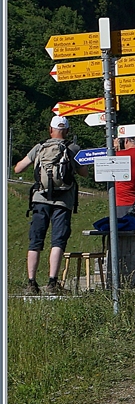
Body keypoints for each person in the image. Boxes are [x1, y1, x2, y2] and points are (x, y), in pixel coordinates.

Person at [13, 115, 80, 295]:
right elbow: (84, 173)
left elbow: (18, 169)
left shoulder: (40, 147)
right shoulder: (71, 148)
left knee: (35, 241)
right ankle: (52, 283)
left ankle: (31, 283)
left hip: (40, 199)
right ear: (66, 131)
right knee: (58, 241)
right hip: (63, 201)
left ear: (50, 130)